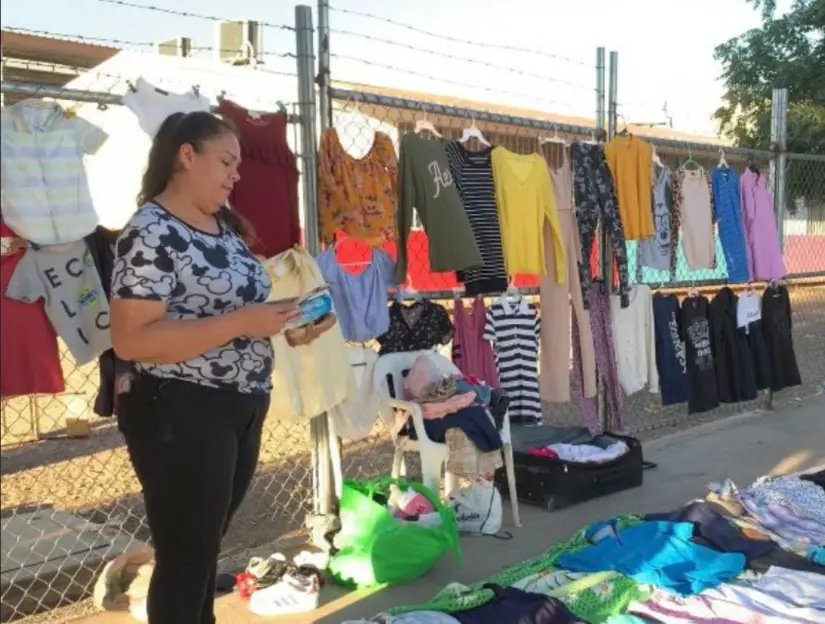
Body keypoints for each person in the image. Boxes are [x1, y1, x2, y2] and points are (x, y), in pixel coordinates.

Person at [110, 111, 296, 624]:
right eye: (226, 162)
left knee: (203, 549)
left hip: (239, 405)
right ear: (186, 156)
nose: (236, 175)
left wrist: (284, 323)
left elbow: (233, 315)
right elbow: (132, 338)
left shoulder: (222, 227)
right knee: (187, 555)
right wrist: (242, 322)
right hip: (181, 408)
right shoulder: (151, 231)